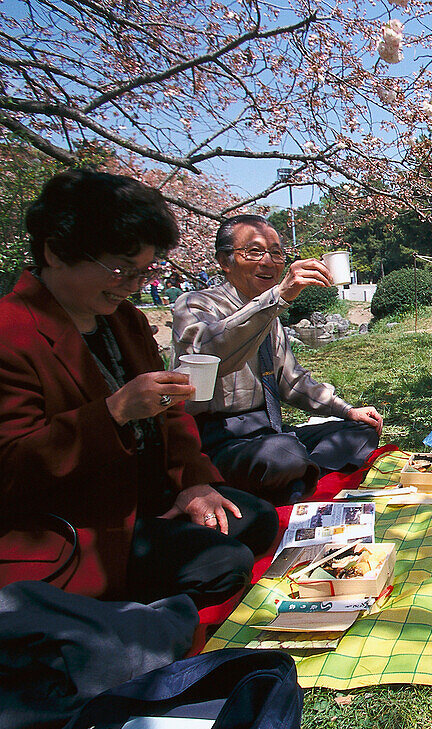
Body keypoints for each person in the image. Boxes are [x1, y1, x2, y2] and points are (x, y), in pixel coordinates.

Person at [0, 169, 278, 608]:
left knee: (257, 520)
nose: (133, 285)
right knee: (222, 563)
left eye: (143, 271)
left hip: (152, 496)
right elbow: (13, 467)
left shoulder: (122, 319)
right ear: (55, 252)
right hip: (82, 518)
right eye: (119, 270)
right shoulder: (11, 331)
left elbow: (171, 411)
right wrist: (112, 414)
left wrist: (193, 482)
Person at [173, 215, 383, 505]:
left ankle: (295, 478)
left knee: (360, 431)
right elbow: (211, 353)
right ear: (225, 261)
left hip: (271, 432)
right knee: (283, 453)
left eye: (276, 253)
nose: (268, 262)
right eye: (255, 251)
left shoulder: (270, 315)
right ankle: (296, 476)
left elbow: (292, 382)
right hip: (220, 437)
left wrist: (347, 410)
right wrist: (278, 297)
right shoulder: (197, 304)